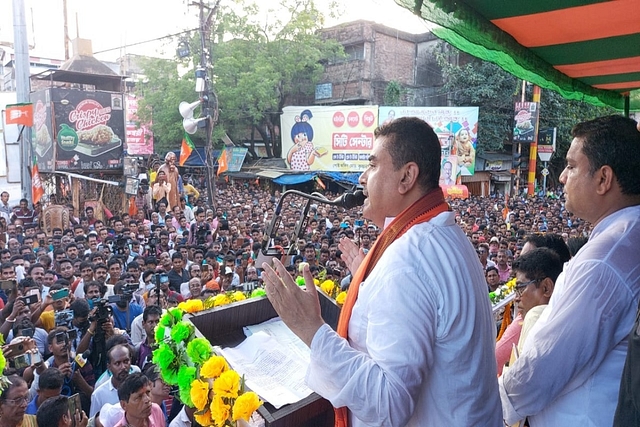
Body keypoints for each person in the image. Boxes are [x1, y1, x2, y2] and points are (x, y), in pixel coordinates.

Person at [262, 117, 501, 426]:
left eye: (372, 166)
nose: (362, 178)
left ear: (406, 178)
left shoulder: (407, 261)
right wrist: (373, 272)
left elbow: (390, 403)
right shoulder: (441, 234)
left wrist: (313, 331)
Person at [500, 115, 640, 426]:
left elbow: (544, 367)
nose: (562, 177)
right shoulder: (624, 239)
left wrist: (488, 404)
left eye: (572, 166)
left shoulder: (602, 262)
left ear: (603, 179)